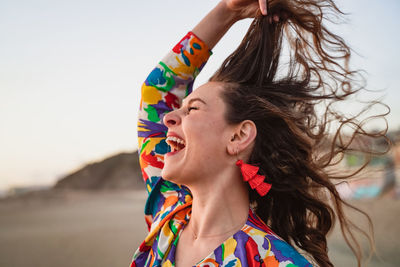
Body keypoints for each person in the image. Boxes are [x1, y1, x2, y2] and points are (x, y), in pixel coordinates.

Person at [131, 0, 386, 266]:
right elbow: (157, 91)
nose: (169, 118)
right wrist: (228, 11)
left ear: (238, 137)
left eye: (192, 109)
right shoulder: (170, 212)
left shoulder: (274, 260)